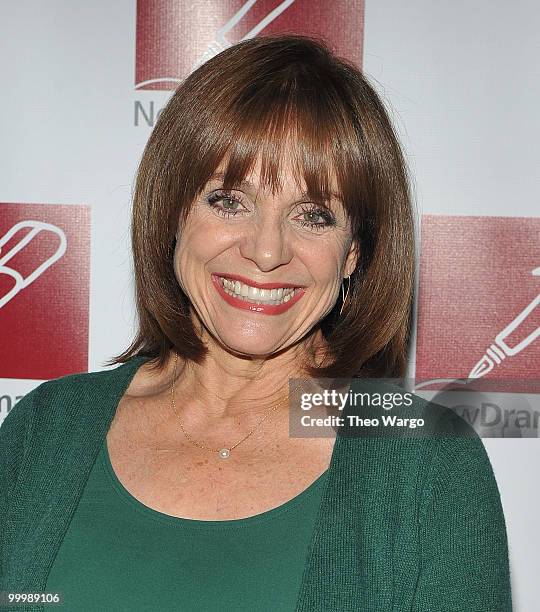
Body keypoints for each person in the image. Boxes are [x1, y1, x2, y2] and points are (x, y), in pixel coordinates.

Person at [0, 34, 512, 611]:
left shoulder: (425, 463)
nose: (267, 251)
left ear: (353, 253)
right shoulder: (46, 430)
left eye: (313, 215)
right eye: (229, 202)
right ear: (172, 215)